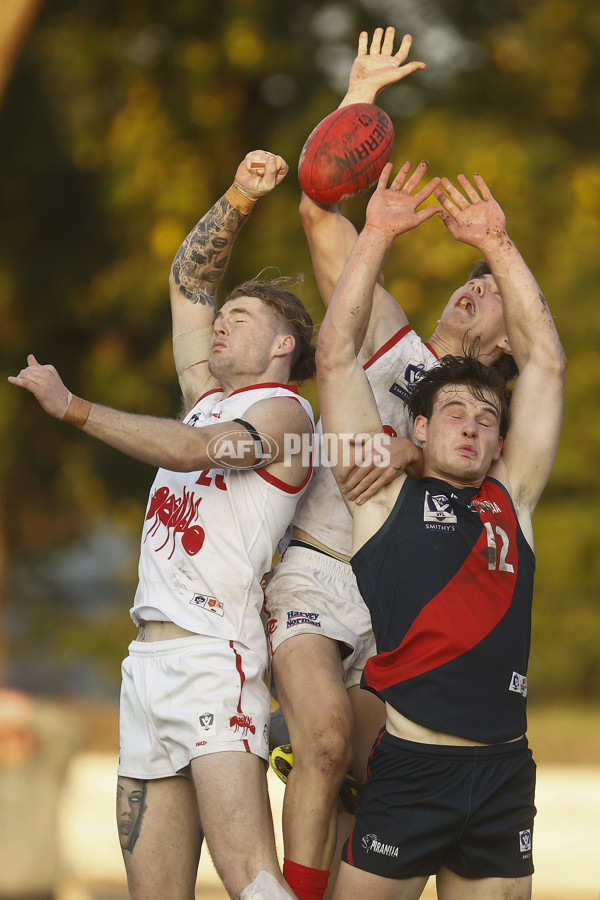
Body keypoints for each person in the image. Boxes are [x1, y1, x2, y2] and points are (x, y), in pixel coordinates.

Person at [263, 27, 529, 899]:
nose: (475, 287)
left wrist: (415, 449)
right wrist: (358, 104)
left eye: (492, 297)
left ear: (502, 352)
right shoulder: (394, 337)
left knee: (373, 783)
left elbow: (477, 491)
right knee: (333, 740)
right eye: (475, 278)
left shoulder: (484, 436)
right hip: (320, 570)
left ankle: (306, 757)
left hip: (394, 612)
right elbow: (319, 215)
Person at [8, 150, 316, 900]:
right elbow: (189, 280)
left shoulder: (284, 414)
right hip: (147, 666)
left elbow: (191, 450)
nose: (220, 326)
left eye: (239, 320)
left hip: (216, 658)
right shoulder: (205, 391)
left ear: (282, 346)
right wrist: (242, 194)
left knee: (251, 879)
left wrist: (72, 406)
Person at [314, 159, 566, 899]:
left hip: (503, 774)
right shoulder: (379, 495)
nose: (473, 425)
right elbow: (334, 357)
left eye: (488, 419)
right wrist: (377, 236)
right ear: (417, 427)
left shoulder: (511, 500)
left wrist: (499, 245)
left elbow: (547, 364)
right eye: (455, 412)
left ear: (500, 442)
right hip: (413, 772)